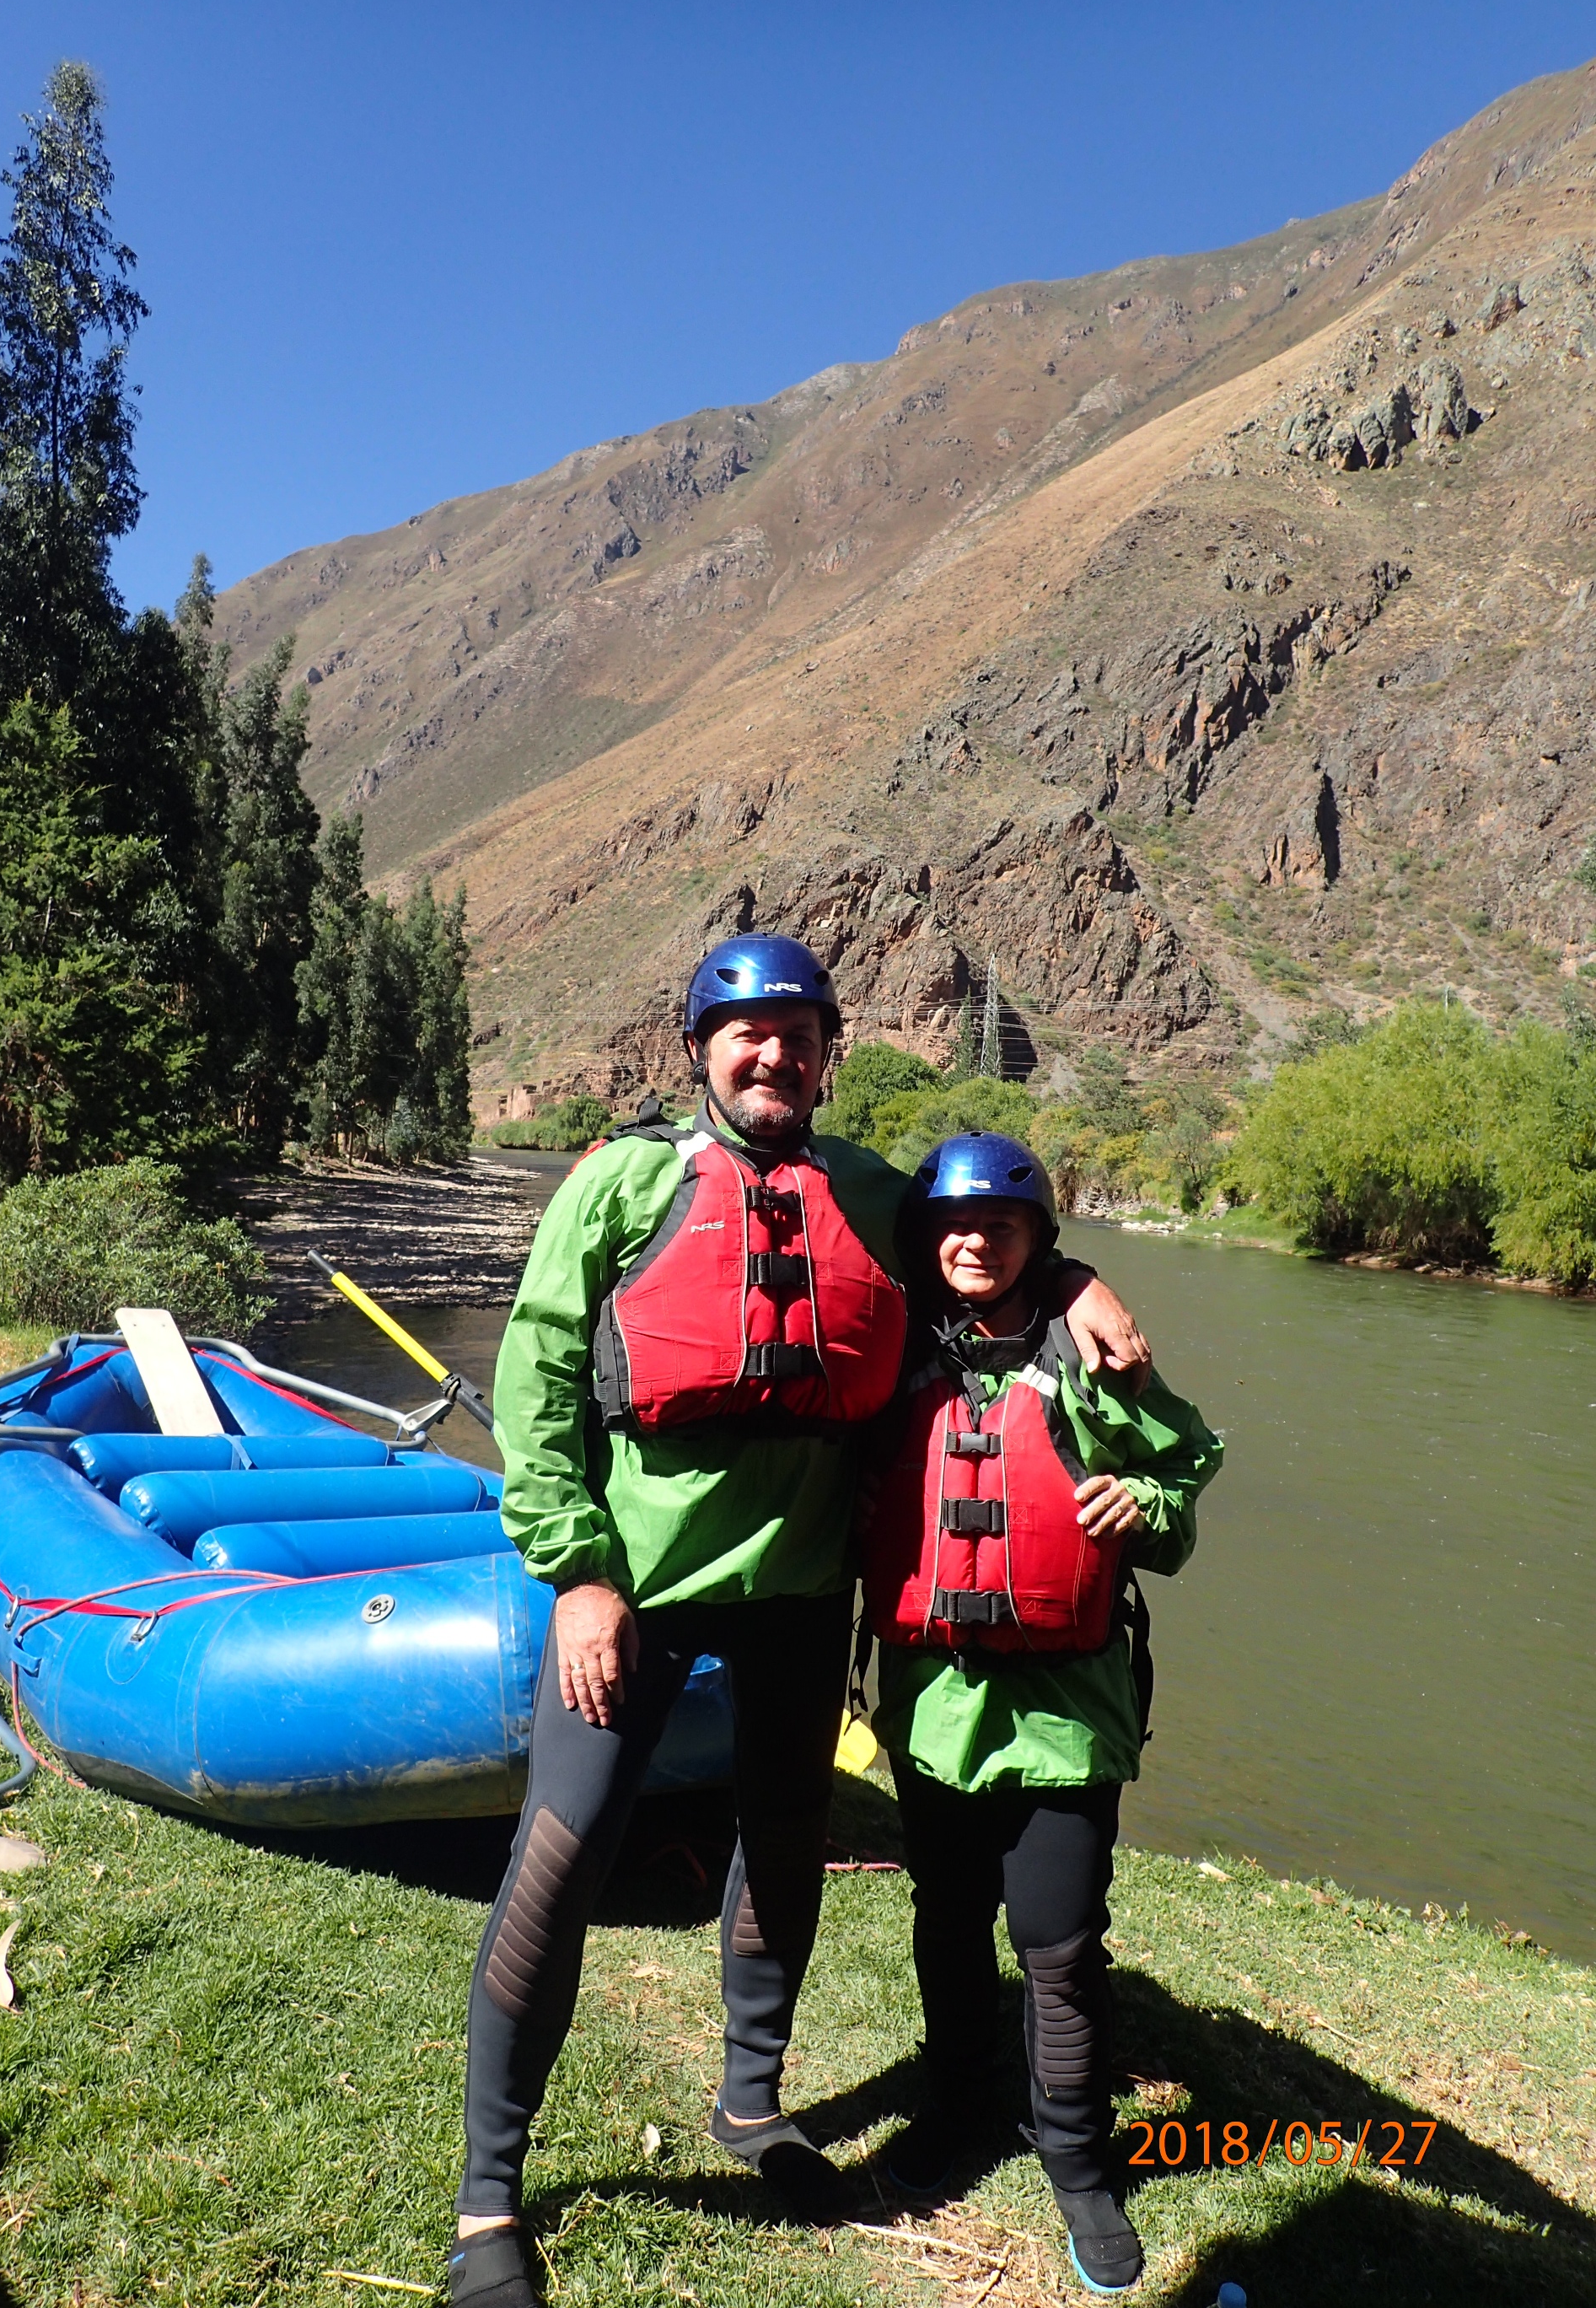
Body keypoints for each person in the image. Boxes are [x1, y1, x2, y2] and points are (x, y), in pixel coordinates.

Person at [449, 935, 1154, 2308]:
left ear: (829, 1050)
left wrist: (1075, 1284)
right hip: (633, 1593)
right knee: (561, 1856)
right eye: (743, 1032)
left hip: (798, 1598)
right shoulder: (623, 1182)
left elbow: (988, 1247)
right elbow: (533, 1390)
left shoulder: (870, 1192)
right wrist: (578, 1573)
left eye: (796, 1033)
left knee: (782, 1837)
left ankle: (750, 2103)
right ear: (702, 1049)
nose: (771, 1054)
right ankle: (488, 2201)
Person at [861, 1130, 1222, 2296]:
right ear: (926, 1239)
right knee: (949, 1919)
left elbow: (1179, 1487)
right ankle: (958, 2107)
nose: (975, 1242)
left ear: (1038, 1242)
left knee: (1058, 1947)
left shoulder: (1088, 1357)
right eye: (955, 1225)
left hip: (1064, 1715)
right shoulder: (894, 1351)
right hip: (931, 1706)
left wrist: (1144, 1505)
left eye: (1004, 1227)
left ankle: (1076, 2158)